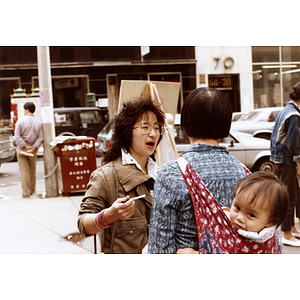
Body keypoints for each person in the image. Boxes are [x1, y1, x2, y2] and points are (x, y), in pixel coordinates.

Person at [148, 87, 248, 254]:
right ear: (226, 124)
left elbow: (159, 248)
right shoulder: (244, 173)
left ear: (186, 124)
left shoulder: (172, 174)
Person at [77, 93, 165, 253]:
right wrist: (109, 215)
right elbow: (83, 224)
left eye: (156, 127)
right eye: (145, 127)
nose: (153, 133)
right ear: (127, 131)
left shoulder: (162, 173)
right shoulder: (106, 176)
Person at [177, 171, 289, 254]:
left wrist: (194, 254)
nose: (239, 217)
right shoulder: (272, 236)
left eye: (251, 215)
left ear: (271, 221)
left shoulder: (249, 241)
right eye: (237, 207)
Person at [270, 81, 300, 247]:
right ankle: (287, 234)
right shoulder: (294, 115)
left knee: (291, 195)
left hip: (279, 158)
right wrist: (299, 163)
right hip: (286, 160)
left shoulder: (286, 110)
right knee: (289, 196)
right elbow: (294, 143)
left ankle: (292, 229)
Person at [15, 102, 43, 198]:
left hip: (22, 149)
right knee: (32, 171)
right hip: (33, 150)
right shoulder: (38, 122)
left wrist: (25, 146)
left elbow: (17, 135)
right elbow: (40, 137)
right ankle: (32, 190)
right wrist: (33, 148)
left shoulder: (20, 121)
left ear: (26, 109)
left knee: (24, 172)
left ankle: (26, 193)